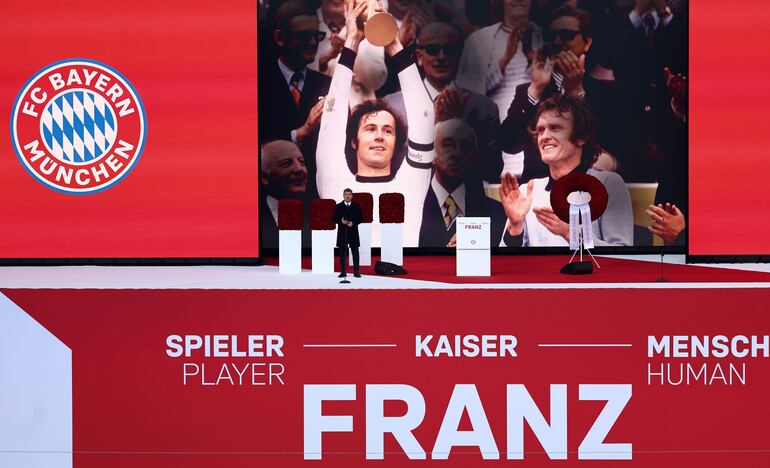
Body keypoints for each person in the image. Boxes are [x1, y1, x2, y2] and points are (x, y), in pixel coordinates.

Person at [316, 1, 434, 247]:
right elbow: (331, 118)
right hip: (346, 283)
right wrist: (351, 43)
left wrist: (393, 42)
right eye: (370, 128)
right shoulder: (334, 178)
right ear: (353, 141)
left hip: (402, 282)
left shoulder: (412, 182)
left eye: (388, 130)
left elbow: (424, 115)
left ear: (397, 143)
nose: (380, 135)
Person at [499, 94, 633, 247]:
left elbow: (623, 255)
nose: (544, 137)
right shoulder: (527, 191)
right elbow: (509, 262)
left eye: (555, 128)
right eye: (541, 130)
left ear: (581, 136)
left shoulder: (609, 184)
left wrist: (573, 234)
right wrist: (515, 228)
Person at [383, 22, 503, 182]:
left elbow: (492, 170)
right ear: (419, 57)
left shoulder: (484, 108)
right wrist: (432, 129)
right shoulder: (392, 106)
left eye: (449, 50)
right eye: (433, 50)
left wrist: (459, 128)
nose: (441, 57)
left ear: (459, 56)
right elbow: (388, 164)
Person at [497, 4, 595, 183]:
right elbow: (508, 144)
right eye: (551, 36)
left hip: (590, 189)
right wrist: (535, 89)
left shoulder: (606, 91)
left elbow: (607, 147)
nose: (558, 42)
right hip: (538, 191)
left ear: (587, 42)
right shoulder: (529, 90)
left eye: (567, 35)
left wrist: (577, 92)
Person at [260, 0, 331, 191]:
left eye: (317, 36)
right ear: (279, 38)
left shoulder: (328, 85)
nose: (312, 43)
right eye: (303, 36)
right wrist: (300, 133)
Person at [419, 119, 507, 247]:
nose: (456, 153)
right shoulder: (409, 209)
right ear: (431, 153)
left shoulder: (498, 214)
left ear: (474, 156)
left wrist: (476, 245)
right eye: (447, 144)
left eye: (465, 146)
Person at [457, 0, 543, 121]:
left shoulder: (546, 36)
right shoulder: (478, 40)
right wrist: (505, 59)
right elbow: (467, 94)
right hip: (492, 124)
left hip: (538, 122)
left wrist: (531, 57)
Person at [260, 140, 310, 248]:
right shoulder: (251, 219)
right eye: (286, 164)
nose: (299, 169)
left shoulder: (319, 213)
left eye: (302, 162)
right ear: (264, 177)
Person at [334, 188, 363, 277]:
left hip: (353, 231)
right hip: (342, 232)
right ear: (343, 195)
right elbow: (334, 218)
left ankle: (356, 271)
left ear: (352, 196)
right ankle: (343, 272)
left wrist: (353, 223)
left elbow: (361, 218)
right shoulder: (338, 206)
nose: (347, 196)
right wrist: (340, 221)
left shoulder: (357, 206)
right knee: (342, 252)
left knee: (355, 252)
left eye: (349, 194)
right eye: (346, 194)